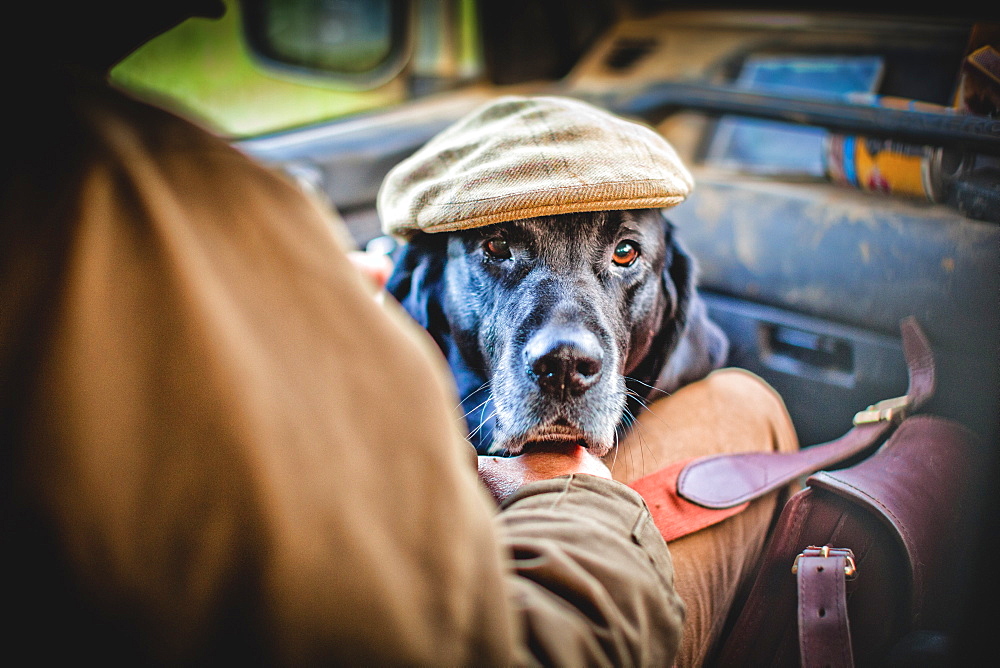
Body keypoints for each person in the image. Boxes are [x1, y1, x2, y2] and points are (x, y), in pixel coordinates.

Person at [1, 2, 796, 665]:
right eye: (496, 248)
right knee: (742, 404)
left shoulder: (60, 185)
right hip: (527, 618)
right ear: (424, 289)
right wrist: (577, 493)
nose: (569, 348)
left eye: (623, 252)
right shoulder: (154, 191)